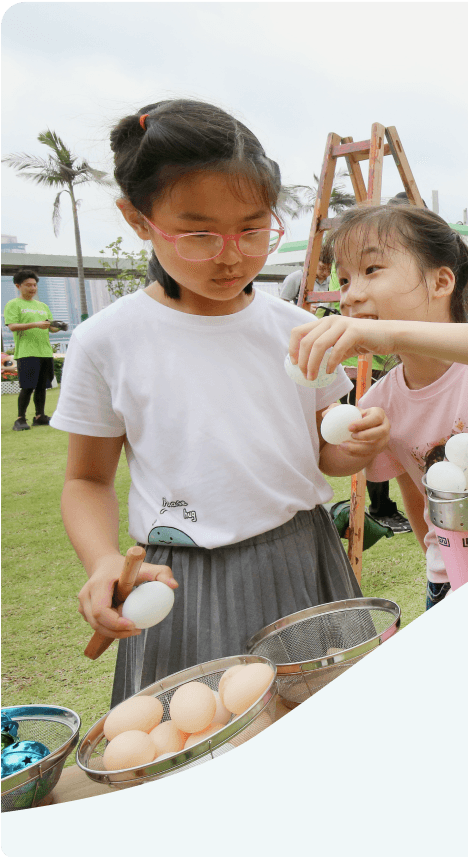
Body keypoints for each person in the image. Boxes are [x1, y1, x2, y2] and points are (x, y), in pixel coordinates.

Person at [50, 99, 389, 706]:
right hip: (180, 582)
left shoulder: (296, 327)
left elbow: (326, 459)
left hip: (303, 556)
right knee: (196, 744)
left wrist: (353, 446)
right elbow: (86, 479)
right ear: (138, 219)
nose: (231, 253)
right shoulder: (107, 340)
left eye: (252, 228)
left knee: (320, 727)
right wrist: (103, 562)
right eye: (199, 232)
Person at [289, 205, 468, 610]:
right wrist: (361, 448)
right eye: (345, 279)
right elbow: (415, 494)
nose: (350, 294)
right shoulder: (381, 402)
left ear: (441, 282)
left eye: (371, 270)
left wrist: (393, 332)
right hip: (449, 580)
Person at [5, 269, 59, 431]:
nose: (32, 288)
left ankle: (40, 416)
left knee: (42, 386)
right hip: (27, 353)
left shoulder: (42, 306)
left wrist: (58, 327)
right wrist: (36, 324)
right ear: (18, 286)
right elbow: (12, 326)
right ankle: (20, 419)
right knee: (27, 387)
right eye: (28, 285)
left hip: (45, 352)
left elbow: (50, 328)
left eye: (34, 285)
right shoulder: (13, 304)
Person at [280, 242, 332, 307]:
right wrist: (304, 309)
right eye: (322, 268)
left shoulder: (332, 281)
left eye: (329, 270)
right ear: (312, 262)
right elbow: (282, 303)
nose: (326, 273)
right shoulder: (296, 277)